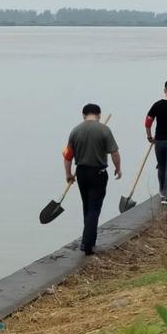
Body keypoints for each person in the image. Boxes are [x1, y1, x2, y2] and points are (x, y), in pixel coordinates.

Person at [63, 104, 121, 255]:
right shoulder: (104, 130)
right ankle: (87, 244)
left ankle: (89, 240)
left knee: (87, 207)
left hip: (81, 173)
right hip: (98, 173)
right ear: (99, 115)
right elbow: (114, 152)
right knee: (94, 208)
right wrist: (118, 168)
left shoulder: (75, 130)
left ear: (83, 115)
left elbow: (68, 156)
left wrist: (68, 174)